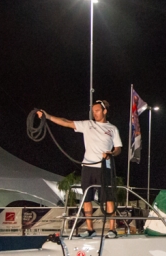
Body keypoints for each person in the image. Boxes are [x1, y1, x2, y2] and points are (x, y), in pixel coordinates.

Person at [37, 100, 122, 238]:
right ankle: (90, 230)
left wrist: (111, 153)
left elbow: (118, 148)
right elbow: (67, 122)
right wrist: (48, 116)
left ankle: (112, 229)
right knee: (86, 199)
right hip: (87, 167)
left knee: (108, 199)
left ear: (105, 111)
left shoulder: (112, 129)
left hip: (104, 167)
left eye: (97, 111)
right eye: (93, 111)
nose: (95, 113)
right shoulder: (88, 124)